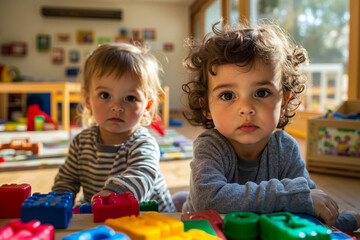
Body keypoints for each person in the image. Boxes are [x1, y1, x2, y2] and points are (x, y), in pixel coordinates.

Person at [181, 21, 359, 232]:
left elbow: (312, 207)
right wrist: (292, 196)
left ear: (283, 101)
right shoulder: (210, 145)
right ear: (206, 107)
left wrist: (353, 220)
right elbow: (207, 199)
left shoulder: (285, 148)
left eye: (261, 93)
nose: (246, 108)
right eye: (228, 95)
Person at [52, 42, 176, 212]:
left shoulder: (144, 143)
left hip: (149, 218)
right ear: (88, 100)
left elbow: (141, 176)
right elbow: (66, 181)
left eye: (130, 98)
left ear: (147, 106)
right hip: (100, 216)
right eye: (105, 95)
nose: (117, 106)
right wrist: (58, 203)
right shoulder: (81, 143)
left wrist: (110, 195)